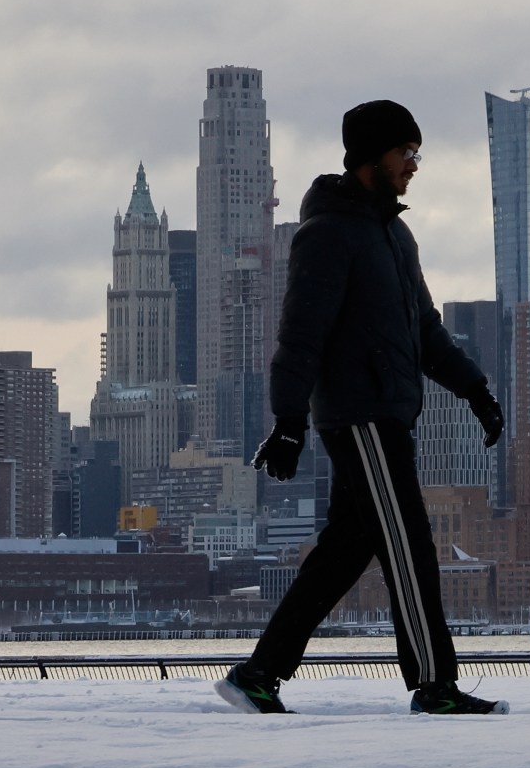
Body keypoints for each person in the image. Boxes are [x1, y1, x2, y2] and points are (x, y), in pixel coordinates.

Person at [217, 100, 508, 716]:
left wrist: (476, 390)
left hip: (392, 412)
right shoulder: (327, 234)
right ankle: (434, 684)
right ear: (371, 157)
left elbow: (426, 332)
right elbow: (300, 337)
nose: (415, 165)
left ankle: (259, 673)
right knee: (410, 540)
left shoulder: (395, 235)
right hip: (361, 414)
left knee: (347, 549)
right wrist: (289, 422)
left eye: (417, 153)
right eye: (407, 153)